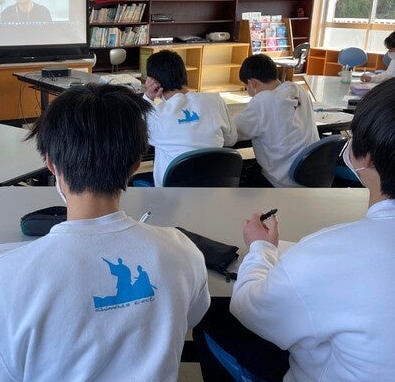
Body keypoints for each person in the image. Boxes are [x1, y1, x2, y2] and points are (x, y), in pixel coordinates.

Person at [0, 84, 210, 382]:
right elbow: (192, 315)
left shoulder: (2, 280)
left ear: (51, 164)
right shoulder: (183, 250)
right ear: (136, 164)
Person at [194, 78, 395, 381]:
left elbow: (249, 308)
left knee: (212, 316)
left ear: (367, 157)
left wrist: (260, 249)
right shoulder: (297, 91)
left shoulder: (331, 254)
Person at [143, 50, 237, 186]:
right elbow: (231, 139)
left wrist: (147, 98)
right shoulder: (216, 100)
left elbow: (135, 134)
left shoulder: (154, 114)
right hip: (216, 190)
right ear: (185, 74)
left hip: (173, 195)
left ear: (153, 82)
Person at [234, 54, 319, 187]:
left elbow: (232, 132)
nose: (248, 92)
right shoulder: (300, 90)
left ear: (252, 83)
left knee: (239, 175)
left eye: (246, 87)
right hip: (312, 174)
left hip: (282, 180)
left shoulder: (262, 101)